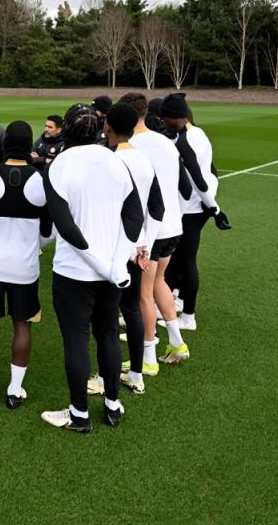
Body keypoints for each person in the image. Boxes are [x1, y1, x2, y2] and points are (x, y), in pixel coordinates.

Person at [39, 104, 143, 434]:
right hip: (111, 272)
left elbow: (64, 225)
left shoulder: (60, 165)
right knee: (108, 333)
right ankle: (112, 405)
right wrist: (114, 263)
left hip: (75, 272)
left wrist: (105, 263)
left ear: (67, 129)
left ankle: (79, 413)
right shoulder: (115, 161)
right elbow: (134, 215)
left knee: (77, 340)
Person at [87, 102, 165, 397]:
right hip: (136, 248)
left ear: (107, 126)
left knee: (106, 319)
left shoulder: (107, 161)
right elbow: (157, 208)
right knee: (130, 309)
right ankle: (135, 374)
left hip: (111, 249)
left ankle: (104, 378)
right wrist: (145, 243)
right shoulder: (144, 161)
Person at [0, 121, 49, 410]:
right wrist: (33, 247)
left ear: (4, 144)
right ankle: (14, 391)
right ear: (29, 145)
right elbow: (48, 229)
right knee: (22, 326)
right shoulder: (41, 180)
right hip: (25, 268)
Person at [119, 93, 190, 374]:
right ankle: (177, 342)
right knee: (159, 281)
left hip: (153, 229)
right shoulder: (166, 141)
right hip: (174, 225)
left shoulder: (132, 146)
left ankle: (148, 358)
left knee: (143, 294)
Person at [162, 93, 230, 331]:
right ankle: (172, 304)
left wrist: (215, 208)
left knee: (186, 261)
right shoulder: (198, 133)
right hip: (197, 206)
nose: (163, 123)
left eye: (165, 119)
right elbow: (210, 172)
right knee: (178, 261)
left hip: (192, 209)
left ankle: (188, 317)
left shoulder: (183, 143)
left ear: (175, 118)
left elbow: (198, 180)